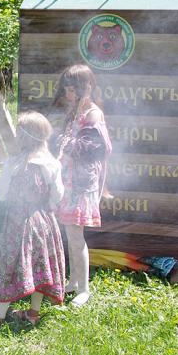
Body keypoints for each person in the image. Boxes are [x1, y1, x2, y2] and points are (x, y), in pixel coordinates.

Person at [0, 111, 66, 329]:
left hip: (17, 222)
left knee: (10, 265)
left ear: (24, 137)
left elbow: (0, 194)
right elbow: (58, 195)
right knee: (40, 266)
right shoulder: (52, 163)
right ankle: (33, 313)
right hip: (44, 222)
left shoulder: (14, 164)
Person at [53, 64, 112, 307]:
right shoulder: (77, 110)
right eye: (65, 89)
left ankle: (84, 289)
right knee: (70, 232)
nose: (67, 94)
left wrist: (65, 142)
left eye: (71, 89)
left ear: (86, 87)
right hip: (69, 179)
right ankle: (75, 281)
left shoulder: (93, 114)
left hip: (81, 183)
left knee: (76, 236)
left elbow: (93, 149)